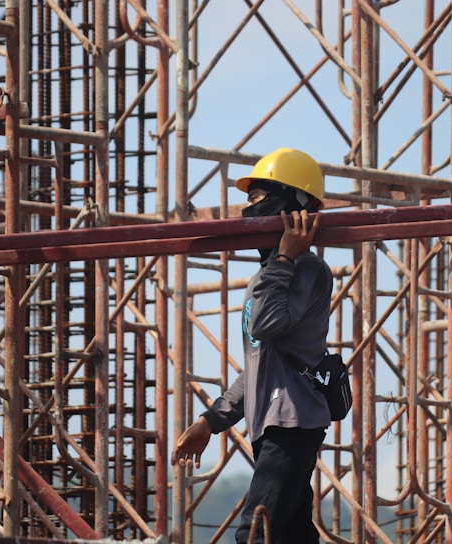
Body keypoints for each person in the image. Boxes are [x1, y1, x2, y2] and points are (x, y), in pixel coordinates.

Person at [171, 148, 333, 544]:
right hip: (271, 427)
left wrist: (283, 259)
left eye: (257, 197)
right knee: (292, 535)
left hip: (292, 424)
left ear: (294, 203)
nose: (248, 209)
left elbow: (265, 324)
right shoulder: (267, 275)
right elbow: (259, 366)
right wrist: (211, 421)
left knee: (255, 533)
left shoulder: (307, 269)